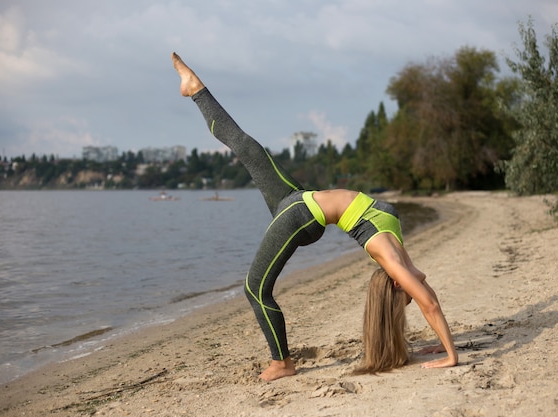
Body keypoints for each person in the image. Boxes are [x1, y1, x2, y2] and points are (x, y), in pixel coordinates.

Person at [171, 52, 458, 381]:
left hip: (302, 214)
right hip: (298, 199)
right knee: (248, 149)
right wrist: (442, 343)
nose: (412, 281)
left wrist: (451, 356)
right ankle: (196, 89)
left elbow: (426, 300)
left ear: (396, 282)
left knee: (255, 288)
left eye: (404, 287)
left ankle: (283, 362)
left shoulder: (390, 255)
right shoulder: (400, 261)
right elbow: (425, 290)